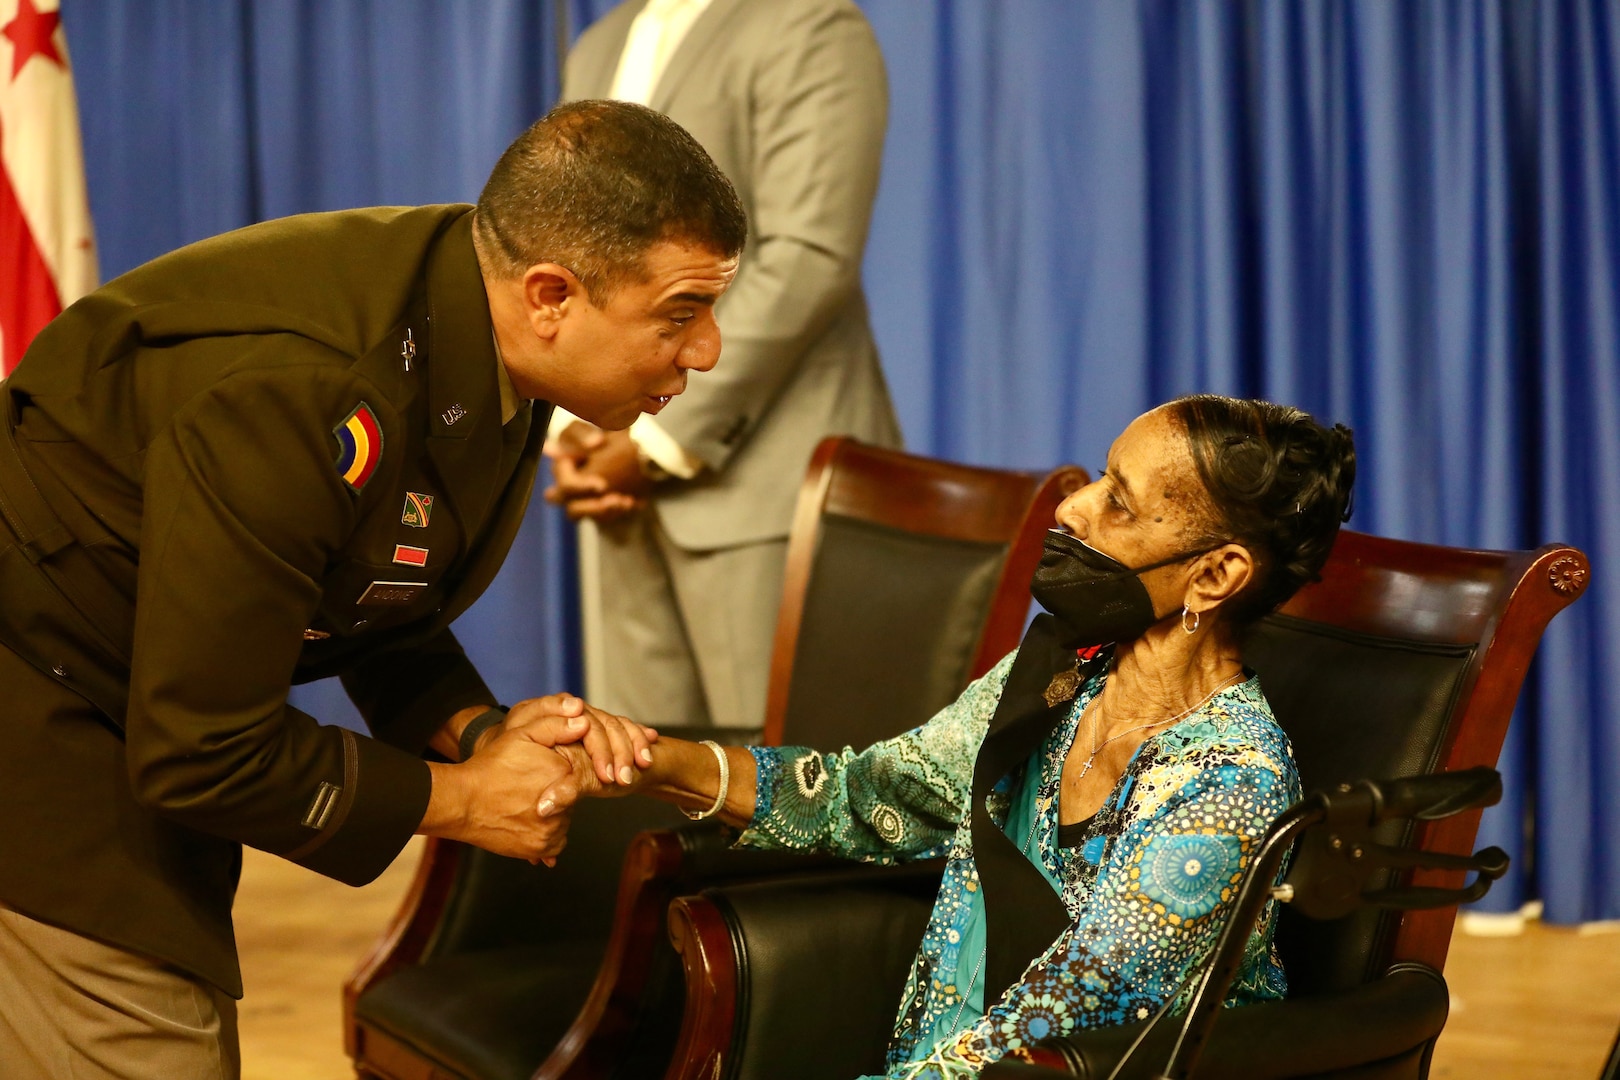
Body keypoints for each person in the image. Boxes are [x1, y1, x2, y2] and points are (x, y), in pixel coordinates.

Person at [0, 99, 743, 1078]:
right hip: (41, 711)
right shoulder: (305, 391)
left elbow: (368, 589)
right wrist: (463, 798)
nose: (708, 351)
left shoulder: (476, 316)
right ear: (552, 295)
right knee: (151, 1048)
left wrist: (478, 730)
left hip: (134, 699)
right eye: (680, 313)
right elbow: (202, 751)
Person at [541, 395, 1357, 1077]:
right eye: (1103, 474)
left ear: (1215, 576)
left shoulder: (1231, 783)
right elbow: (874, 795)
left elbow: (1057, 1022)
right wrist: (642, 759)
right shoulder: (1059, 671)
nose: (1074, 504)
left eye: (1118, 501)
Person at [544, 0, 902, 732]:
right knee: (637, 785)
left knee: (780, 801)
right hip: (612, 493)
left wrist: (649, 442)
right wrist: (578, 425)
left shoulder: (809, 24)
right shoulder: (598, 47)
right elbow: (577, 262)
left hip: (766, 486)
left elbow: (808, 258)